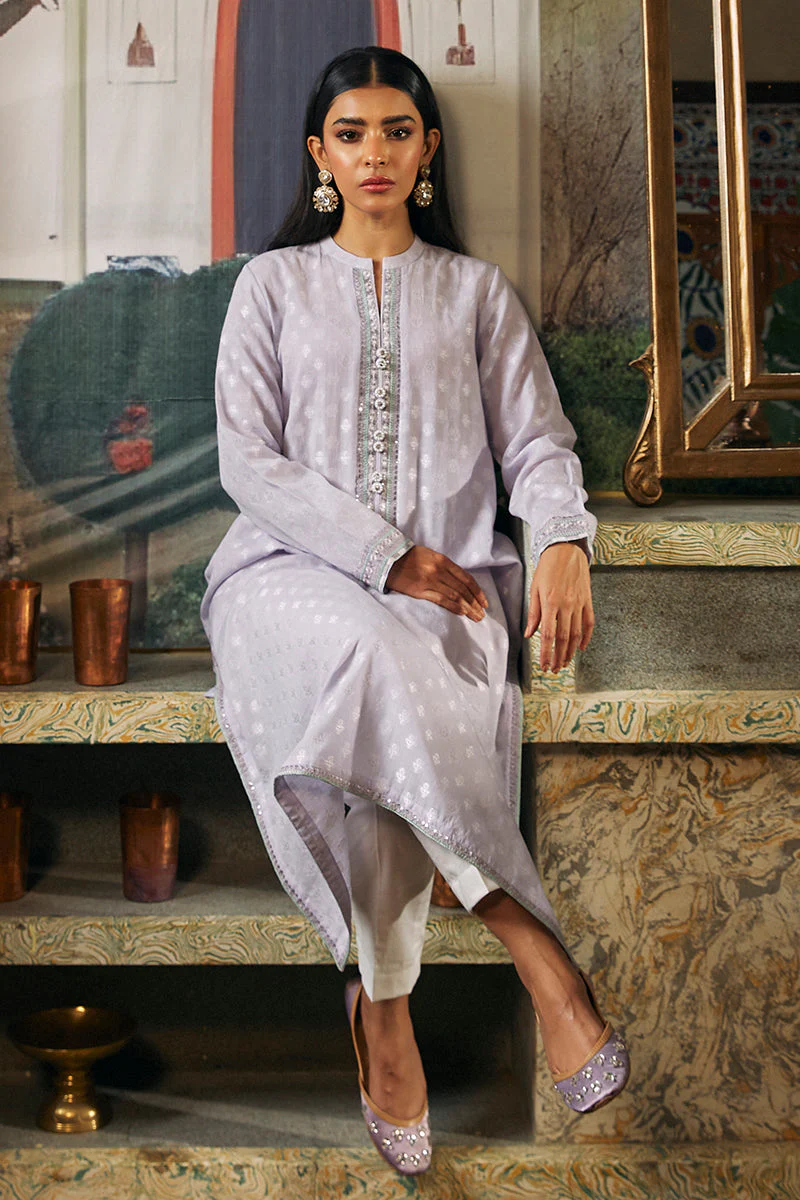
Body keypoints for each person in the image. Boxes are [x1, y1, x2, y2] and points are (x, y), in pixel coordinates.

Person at [201, 45, 630, 1177]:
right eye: (351, 134)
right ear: (319, 154)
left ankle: (380, 1012)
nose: (374, 153)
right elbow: (247, 462)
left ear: (427, 148)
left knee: (381, 701)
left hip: (452, 592)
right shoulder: (270, 286)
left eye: (397, 131)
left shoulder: (476, 294)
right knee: (365, 652)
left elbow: (538, 445)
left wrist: (563, 540)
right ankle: (534, 946)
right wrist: (382, 556)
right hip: (284, 577)